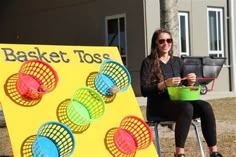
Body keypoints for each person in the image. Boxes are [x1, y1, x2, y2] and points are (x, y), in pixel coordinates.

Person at [140, 28, 223, 157]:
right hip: (158, 106)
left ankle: (214, 152)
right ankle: (179, 154)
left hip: (180, 105)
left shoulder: (177, 61)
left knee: (205, 106)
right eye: (162, 41)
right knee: (186, 107)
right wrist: (164, 84)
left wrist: (191, 81)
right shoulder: (148, 62)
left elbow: (186, 84)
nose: (166, 43)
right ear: (155, 43)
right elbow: (144, 90)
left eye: (169, 40)